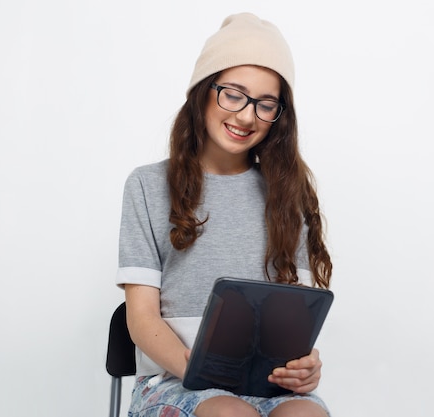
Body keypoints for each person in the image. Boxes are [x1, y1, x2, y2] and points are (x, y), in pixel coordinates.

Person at [116, 12, 333, 417]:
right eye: (233, 94)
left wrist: (305, 368)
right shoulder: (147, 186)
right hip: (175, 381)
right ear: (203, 91)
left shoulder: (289, 193)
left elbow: (296, 324)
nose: (247, 116)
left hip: (267, 385)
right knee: (230, 414)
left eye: (266, 105)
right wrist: (201, 371)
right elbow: (141, 318)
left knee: (308, 414)